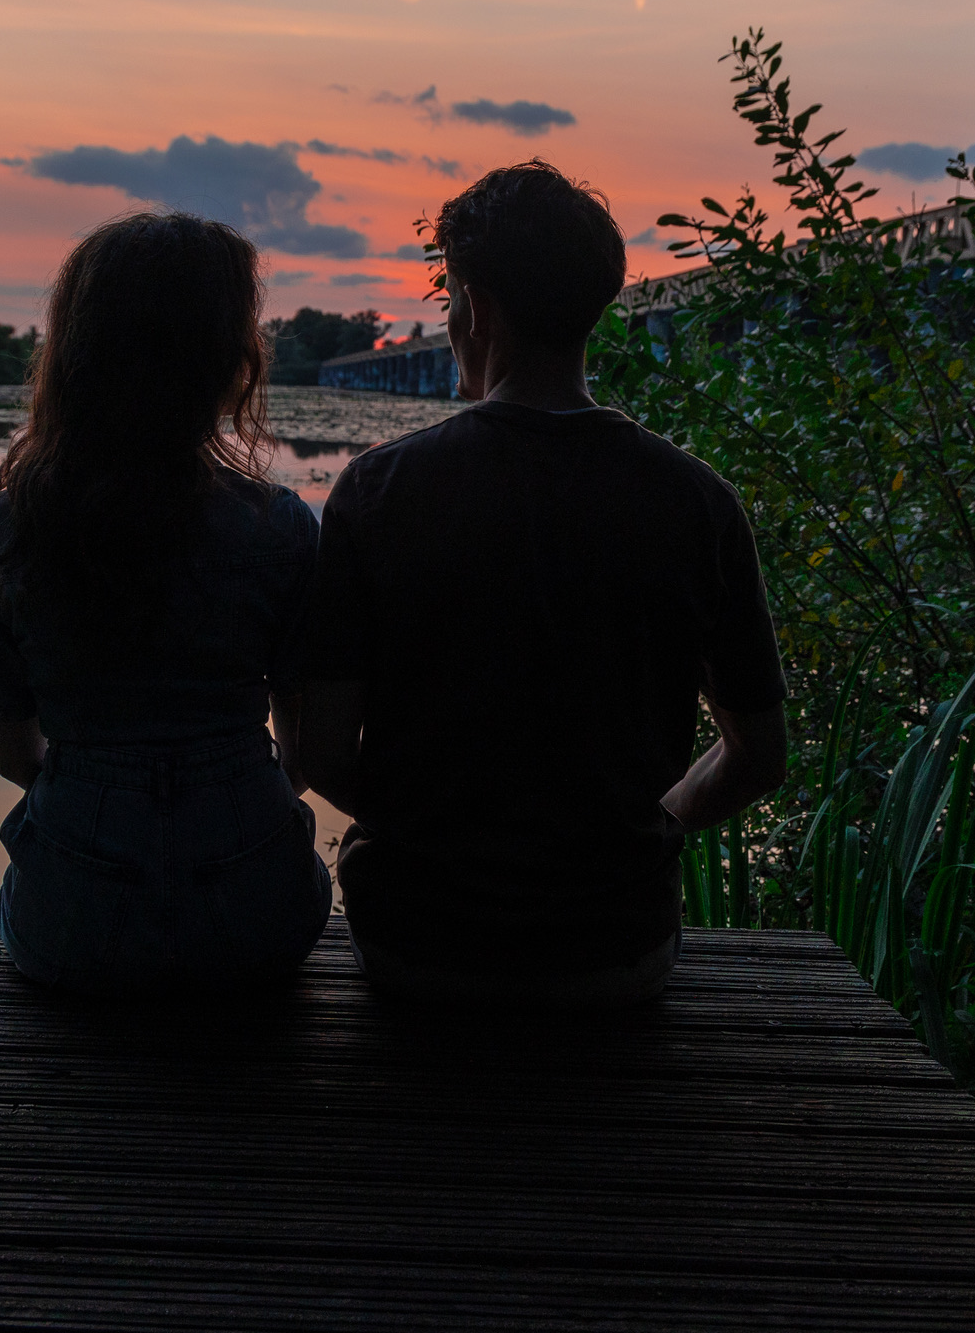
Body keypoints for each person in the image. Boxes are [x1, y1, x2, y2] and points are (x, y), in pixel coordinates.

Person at [299, 161, 789, 1007]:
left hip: (418, 949)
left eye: (451, 297)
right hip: (615, 956)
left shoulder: (377, 492)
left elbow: (319, 751)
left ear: (479, 309)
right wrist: (649, 827)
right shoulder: (697, 502)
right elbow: (760, 756)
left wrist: (431, 830)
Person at [0, 212, 331, 995]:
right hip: (258, 921)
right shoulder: (280, 526)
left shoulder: (9, 525)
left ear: (77, 354)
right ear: (229, 362)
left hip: (74, 926)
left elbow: (17, 760)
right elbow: (305, 756)